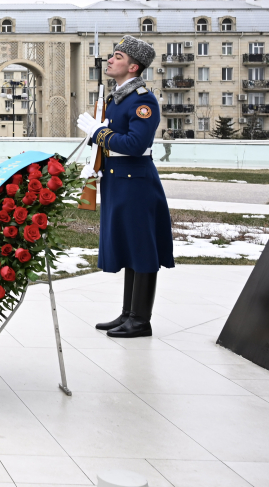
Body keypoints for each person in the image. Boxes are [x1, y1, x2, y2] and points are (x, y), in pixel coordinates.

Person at [76, 36, 175, 338]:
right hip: (118, 180)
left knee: (142, 249)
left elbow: (135, 144)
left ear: (133, 66)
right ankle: (128, 314)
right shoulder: (117, 97)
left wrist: (99, 133)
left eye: (117, 56)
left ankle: (141, 321)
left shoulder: (142, 100)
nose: (109, 60)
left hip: (136, 182)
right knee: (131, 248)